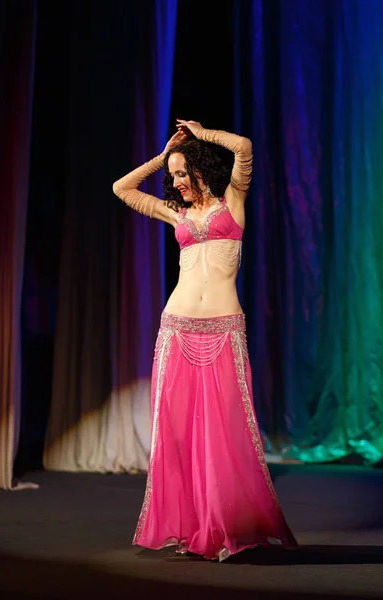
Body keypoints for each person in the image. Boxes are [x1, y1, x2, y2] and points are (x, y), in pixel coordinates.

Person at [112, 119, 297, 562]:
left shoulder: (233, 200)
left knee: (225, 432)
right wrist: (164, 155)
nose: (176, 182)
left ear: (199, 169)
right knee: (179, 434)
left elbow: (245, 147)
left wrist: (201, 134)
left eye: (182, 173)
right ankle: (192, 526)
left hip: (223, 329)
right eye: (172, 176)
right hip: (176, 328)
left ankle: (225, 526)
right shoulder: (176, 213)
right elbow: (123, 187)